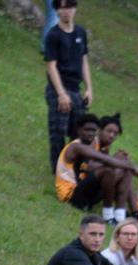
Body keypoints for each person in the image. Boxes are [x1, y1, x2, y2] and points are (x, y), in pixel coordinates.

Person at [54, 113, 138, 224]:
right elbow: (97, 164)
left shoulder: (101, 146)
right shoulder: (76, 146)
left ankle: (122, 216)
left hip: (85, 193)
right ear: (79, 130)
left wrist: (122, 163)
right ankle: (108, 216)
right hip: (70, 196)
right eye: (87, 130)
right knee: (109, 170)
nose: (91, 133)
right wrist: (130, 165)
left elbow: (101, 162)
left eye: (93, 130)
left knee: (123, 170)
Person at [44, 0, 92, 173]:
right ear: (57, 10)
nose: (66, 11)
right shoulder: (53, 35)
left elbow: (84, 60)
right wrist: (61, 94)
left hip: (75, 89)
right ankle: (58, 169)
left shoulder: (81, 32)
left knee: (78, 132)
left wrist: (88, 88)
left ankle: (74, 168)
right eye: (62, 7)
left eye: (69, 7)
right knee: (58, 131)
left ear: (75, 9)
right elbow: (51, 66)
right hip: (58, 89)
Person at [88, 113, 137, 220]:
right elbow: (89, 166)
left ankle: (130, 214)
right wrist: (115, 160)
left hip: (95, 188)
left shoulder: (104, 146)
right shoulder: (93, 142)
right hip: (84, 191)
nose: (112, 136)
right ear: (99, 130)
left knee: (125, 170)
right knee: (123, 168)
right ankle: (124, 214)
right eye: (109, 131)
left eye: (115, 133)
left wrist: (118, 160)